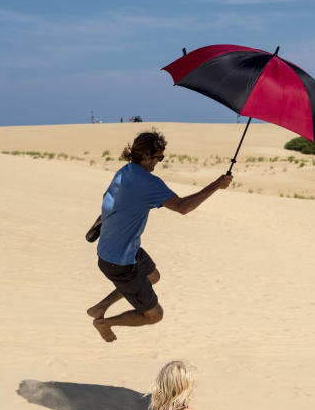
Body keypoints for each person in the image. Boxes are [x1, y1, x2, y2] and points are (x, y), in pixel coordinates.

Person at [87, 131, 233, 342]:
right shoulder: (148, 182)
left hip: (118, 249)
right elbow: (183, 207)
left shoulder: (125, 170)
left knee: (153, 276)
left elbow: (106, 197)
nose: (159, 162)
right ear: (147, 156)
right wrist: (217, 185)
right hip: (119, 263)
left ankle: (100, 307)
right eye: (159, 158)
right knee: (154, 315)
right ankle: (104, 323)